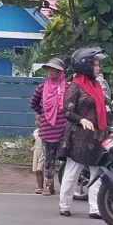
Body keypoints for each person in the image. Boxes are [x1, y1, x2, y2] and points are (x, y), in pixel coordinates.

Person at [57, 47, 108, 218]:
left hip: (97, 135)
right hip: (79, 137)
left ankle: (95, 208)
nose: (98, 68)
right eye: (96, 65)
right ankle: (64, 205)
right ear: (86, 66)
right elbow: (66, 111)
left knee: (97, 173)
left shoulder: (97, 85)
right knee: (72, 172)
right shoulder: (75, 86)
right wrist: (81, 119)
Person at [29, 58, 67, 195]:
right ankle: (48, 186)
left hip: (64, 130)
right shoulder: (42, 87)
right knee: (48, 161)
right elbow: (33, 103)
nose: (51, 71)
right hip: (47, 129)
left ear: (61, 72)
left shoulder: (68, 87)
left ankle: (66, 188)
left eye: (54, 69)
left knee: (65, 161)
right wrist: (43, 112)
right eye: (49, 69)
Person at [31, 125, 45, 194]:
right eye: (36, 120)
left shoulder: (45, 131)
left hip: (42, 151)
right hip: (36, 151)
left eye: (39, 120)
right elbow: (33, 140)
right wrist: (32, 140)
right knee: (36, 171)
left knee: (40, 170)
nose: (37, 122)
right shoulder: (35, 131)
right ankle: (39, 186)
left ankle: (41, 187)